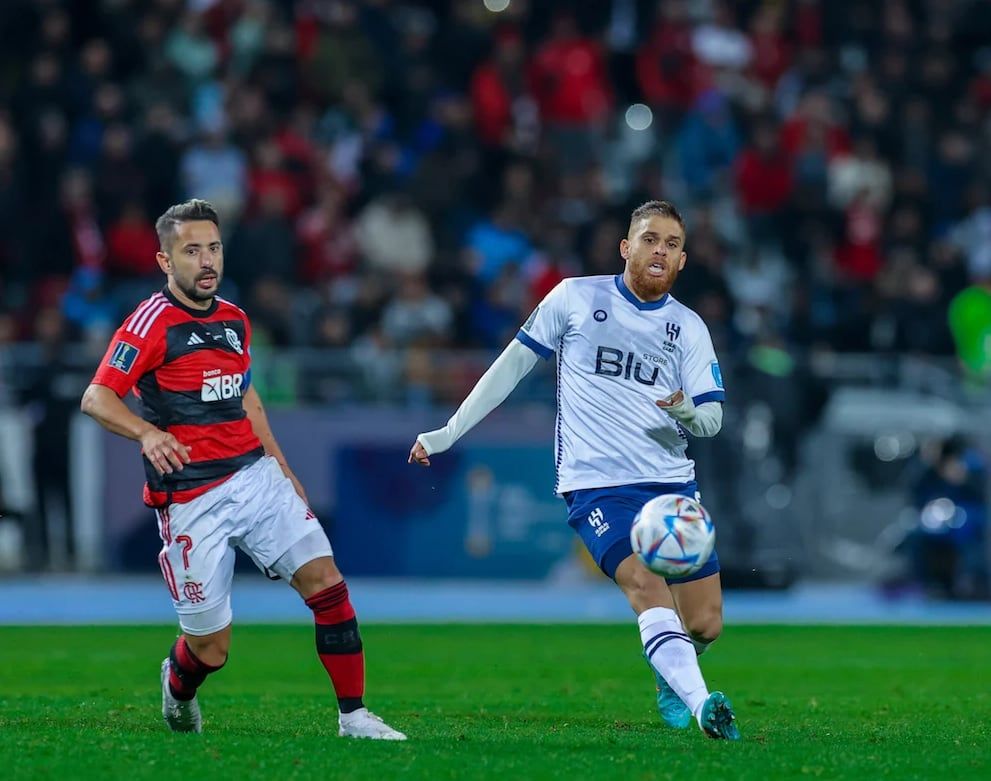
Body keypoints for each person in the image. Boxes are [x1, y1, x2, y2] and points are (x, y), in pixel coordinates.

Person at [409, 200, 740, 740]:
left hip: (672, 488)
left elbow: (712, 420)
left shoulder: (689, 327)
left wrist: (685, 411)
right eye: (650, 239)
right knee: (644, 584)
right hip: (598, 485)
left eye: (672, 245)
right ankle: (705, 706)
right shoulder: (576, 297)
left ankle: (671, 674)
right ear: (625, 247)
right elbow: (510, 368)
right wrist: (447, 433)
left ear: (682, 262)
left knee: (705, 623)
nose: (660, 250)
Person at [80, 199, 405, 740]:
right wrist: (148, 432)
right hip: (191, 497)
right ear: (165, 261)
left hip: (255, 479)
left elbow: (246, 397)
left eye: (213, 248)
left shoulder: (235, 319)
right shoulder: (150, 324)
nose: (206, 261)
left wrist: (281, 465)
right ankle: (177, 686)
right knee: (211, 648)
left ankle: (354, 717)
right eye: (191, 252)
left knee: (327, 583)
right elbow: (96, 397)